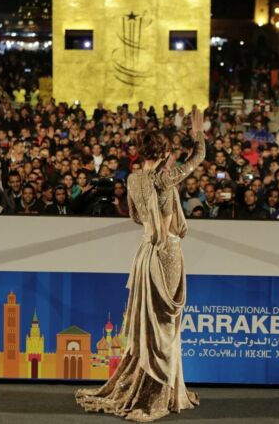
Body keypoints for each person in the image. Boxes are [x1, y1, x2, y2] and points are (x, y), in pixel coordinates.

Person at [75, 108, 204, 421]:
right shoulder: (165, 179)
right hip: (167, 253)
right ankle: (159, 394)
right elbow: (198, 158)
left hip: (145, 254)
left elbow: (134, 215)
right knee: (165, 325)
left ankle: (157, 387)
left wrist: (153, 221)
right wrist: (198, 134)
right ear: (163, 153)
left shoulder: (132, 180)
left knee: (151, 324)